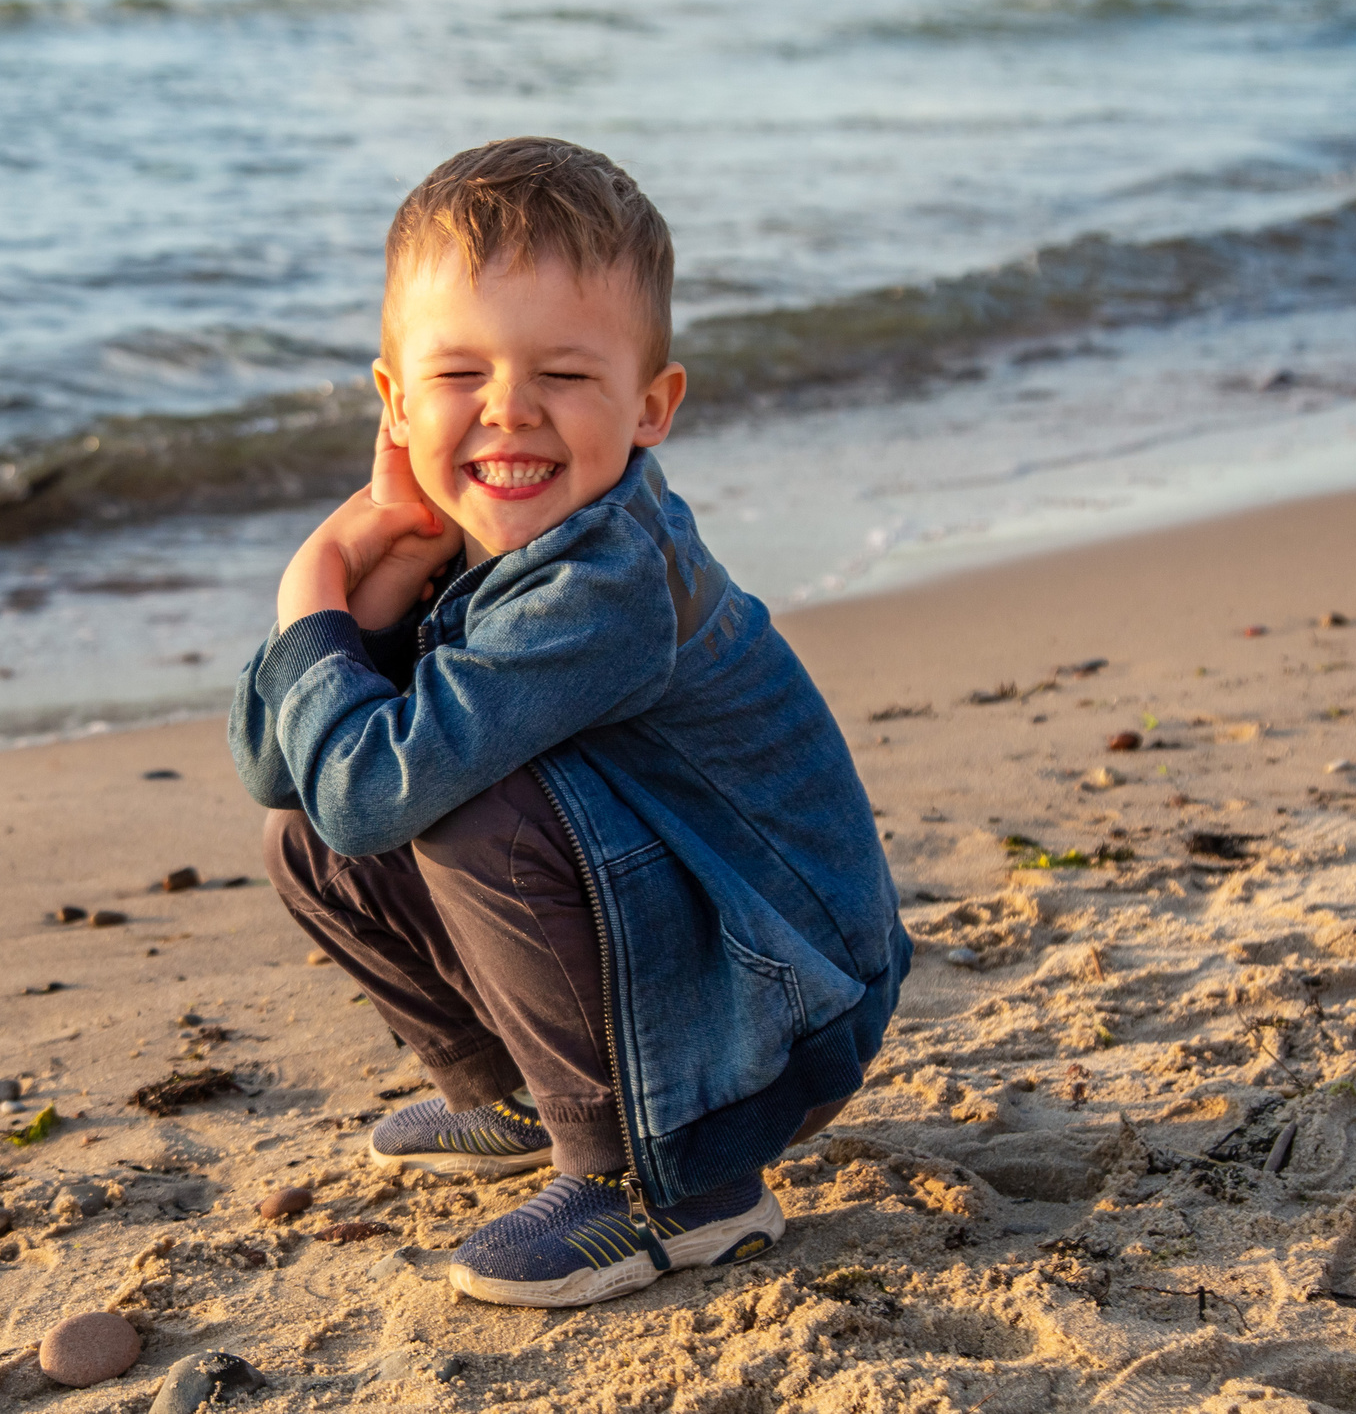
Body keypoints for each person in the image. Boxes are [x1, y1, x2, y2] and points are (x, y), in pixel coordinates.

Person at [229, 136, 910, 1308]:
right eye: (457, 377)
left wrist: (314, 582)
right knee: (313, 842)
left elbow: (366, 784)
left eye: (564, 375)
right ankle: (518, 1096)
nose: (508, 413)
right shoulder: (477, 544)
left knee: (453, 803)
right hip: (704, 962)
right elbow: (286, 781)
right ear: (392, 402)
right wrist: (378, 588)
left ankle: (675, 1195)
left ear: (650, 407)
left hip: (784, 1009)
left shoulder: (603, 586)